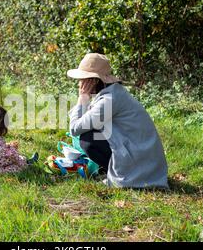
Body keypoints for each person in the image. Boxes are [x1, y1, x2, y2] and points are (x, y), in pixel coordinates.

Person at [67, 53, 168, 188]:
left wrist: (83, 98)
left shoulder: (109, 100)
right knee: (92, 133)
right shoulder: (113, 93)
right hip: (141, 155)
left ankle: (125, 176)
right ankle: (112, 169)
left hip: (140, 160)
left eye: (84, 80)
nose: (81, 84)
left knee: (88, 140)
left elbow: (75, 129)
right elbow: (80, 118)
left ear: (95, 81)